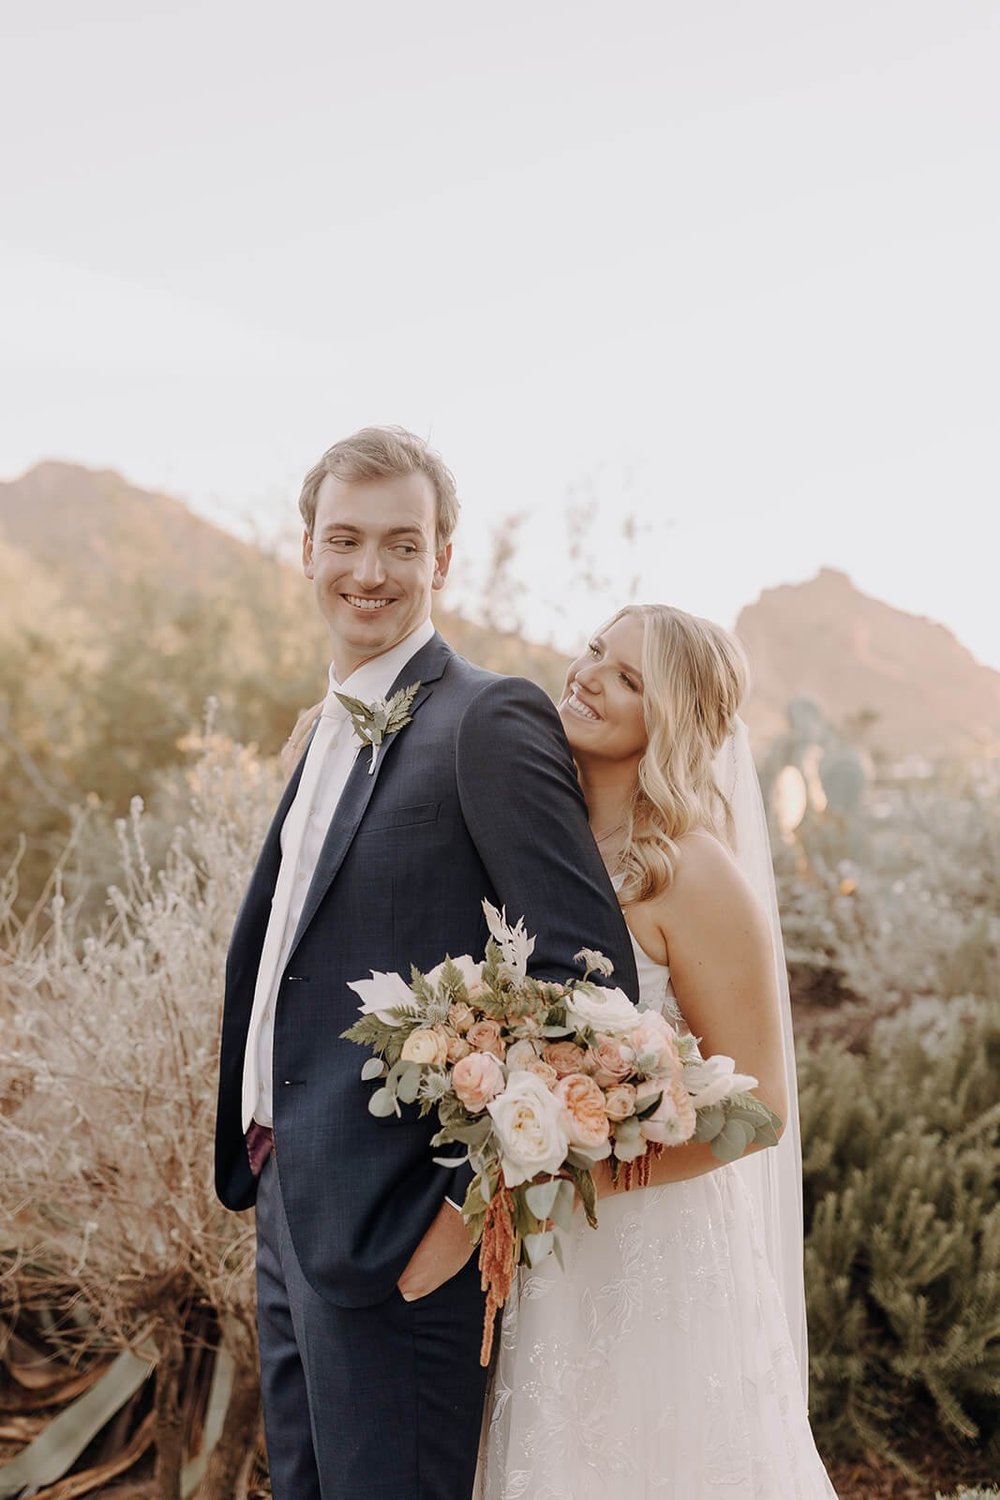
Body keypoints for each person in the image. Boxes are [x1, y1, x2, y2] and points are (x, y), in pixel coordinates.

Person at [213, 426, 638, 1500]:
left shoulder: (485, 720)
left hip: (405, 1233)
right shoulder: (322, 728)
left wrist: (460, 1219)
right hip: (285, 1199)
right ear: (303, 548)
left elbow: (592, 985)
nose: (370, 572)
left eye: (401, 545)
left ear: (442, 560)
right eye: (345, 540)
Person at [479, 604, 837, 1499]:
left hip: (655, 1249)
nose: (589, 674)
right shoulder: (542, 840)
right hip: (547, 1245)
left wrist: (595, 1172)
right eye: (597, 651)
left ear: (670, 722)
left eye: (629, 678)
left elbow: (761, 1113)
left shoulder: (696, 872)